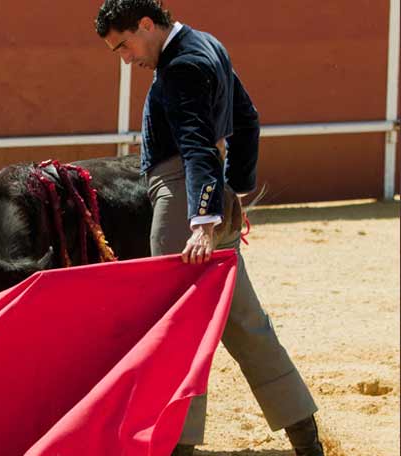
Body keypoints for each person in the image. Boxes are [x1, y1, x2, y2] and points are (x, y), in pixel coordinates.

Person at [94, 1, 324, 455]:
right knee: (246, 324)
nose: (127, 59)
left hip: (184, 203)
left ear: (145, 24)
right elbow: (248, 120)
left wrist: (201, 221)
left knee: (179, 328)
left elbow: (197, 146)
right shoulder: (208, 45)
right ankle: (306, 437)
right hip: (208, 194)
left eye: (125, 45)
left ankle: (177, 445)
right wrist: (233, 190)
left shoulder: (179, 66)